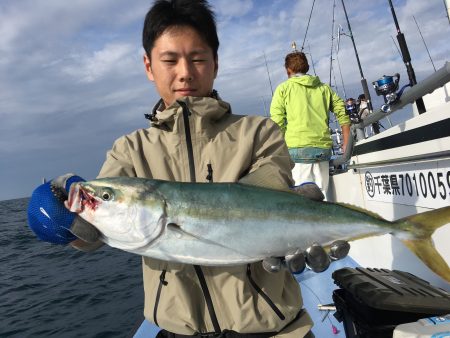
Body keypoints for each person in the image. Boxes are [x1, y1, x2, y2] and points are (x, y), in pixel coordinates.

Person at [26, 1, 329, 337]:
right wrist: (65, 220)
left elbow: (271, 195)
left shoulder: (259, 133)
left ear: (215, 63)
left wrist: (301, 223)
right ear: (148, 65)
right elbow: (96, 234)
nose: (185, 72)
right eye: (169, 60)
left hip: (275, 328)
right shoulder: (129, 151)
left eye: (198, 59)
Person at [270, 51, 350, 196]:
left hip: (297, 152)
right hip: (322, 152)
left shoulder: (283, 88)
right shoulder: (324, 88)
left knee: (302, 201)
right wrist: (346, 141)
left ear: (288, 70)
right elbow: (342, 112)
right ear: (306, 67)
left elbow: (277, 123)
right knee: (323, 196)